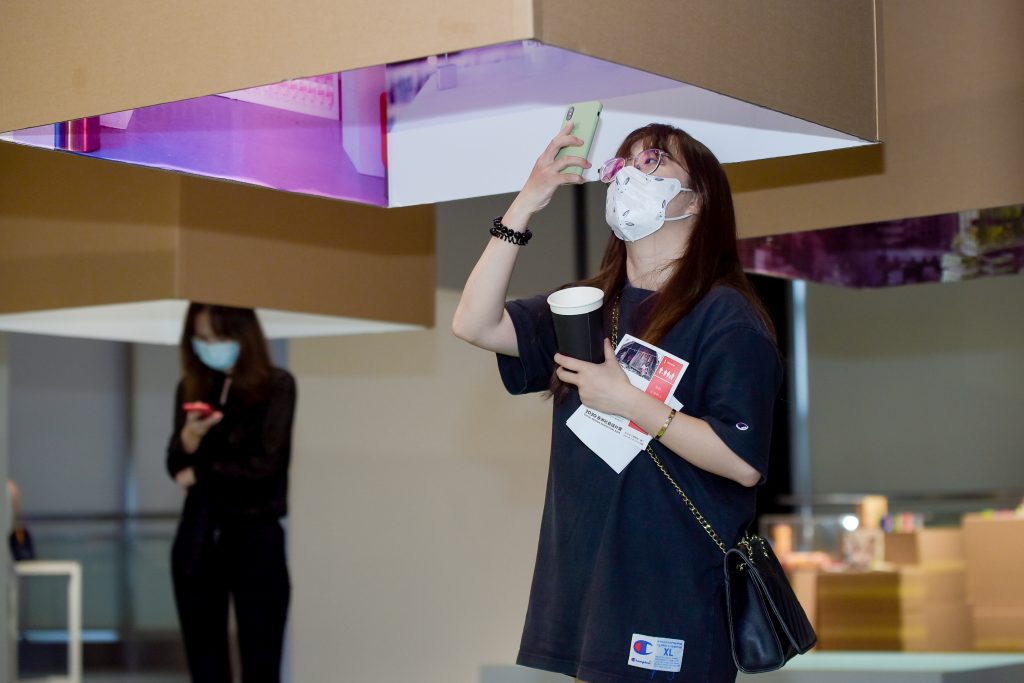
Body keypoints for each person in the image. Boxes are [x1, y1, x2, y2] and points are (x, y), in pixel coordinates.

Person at [452, 122, 781, 683]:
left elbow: (741, 462)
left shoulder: (726, 315)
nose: (630, 173)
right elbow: (474, 322)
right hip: (586, 584)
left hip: (672, 587)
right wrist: (528, 200)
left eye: (653, 162)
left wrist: (628, 401)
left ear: (698, 198)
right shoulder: (587, 305)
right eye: (623, 163)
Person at [166, 303, 296, 683]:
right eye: (202, 338)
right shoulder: (191, 389)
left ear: (242, 336)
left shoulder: (276, 386)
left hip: (255, 536)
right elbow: (175, 465)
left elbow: (267, 466)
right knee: (205, 666)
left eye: (219, 337)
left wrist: (201, 468)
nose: (210, 346)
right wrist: (190, 436)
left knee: (262, 661)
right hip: (198, 538)